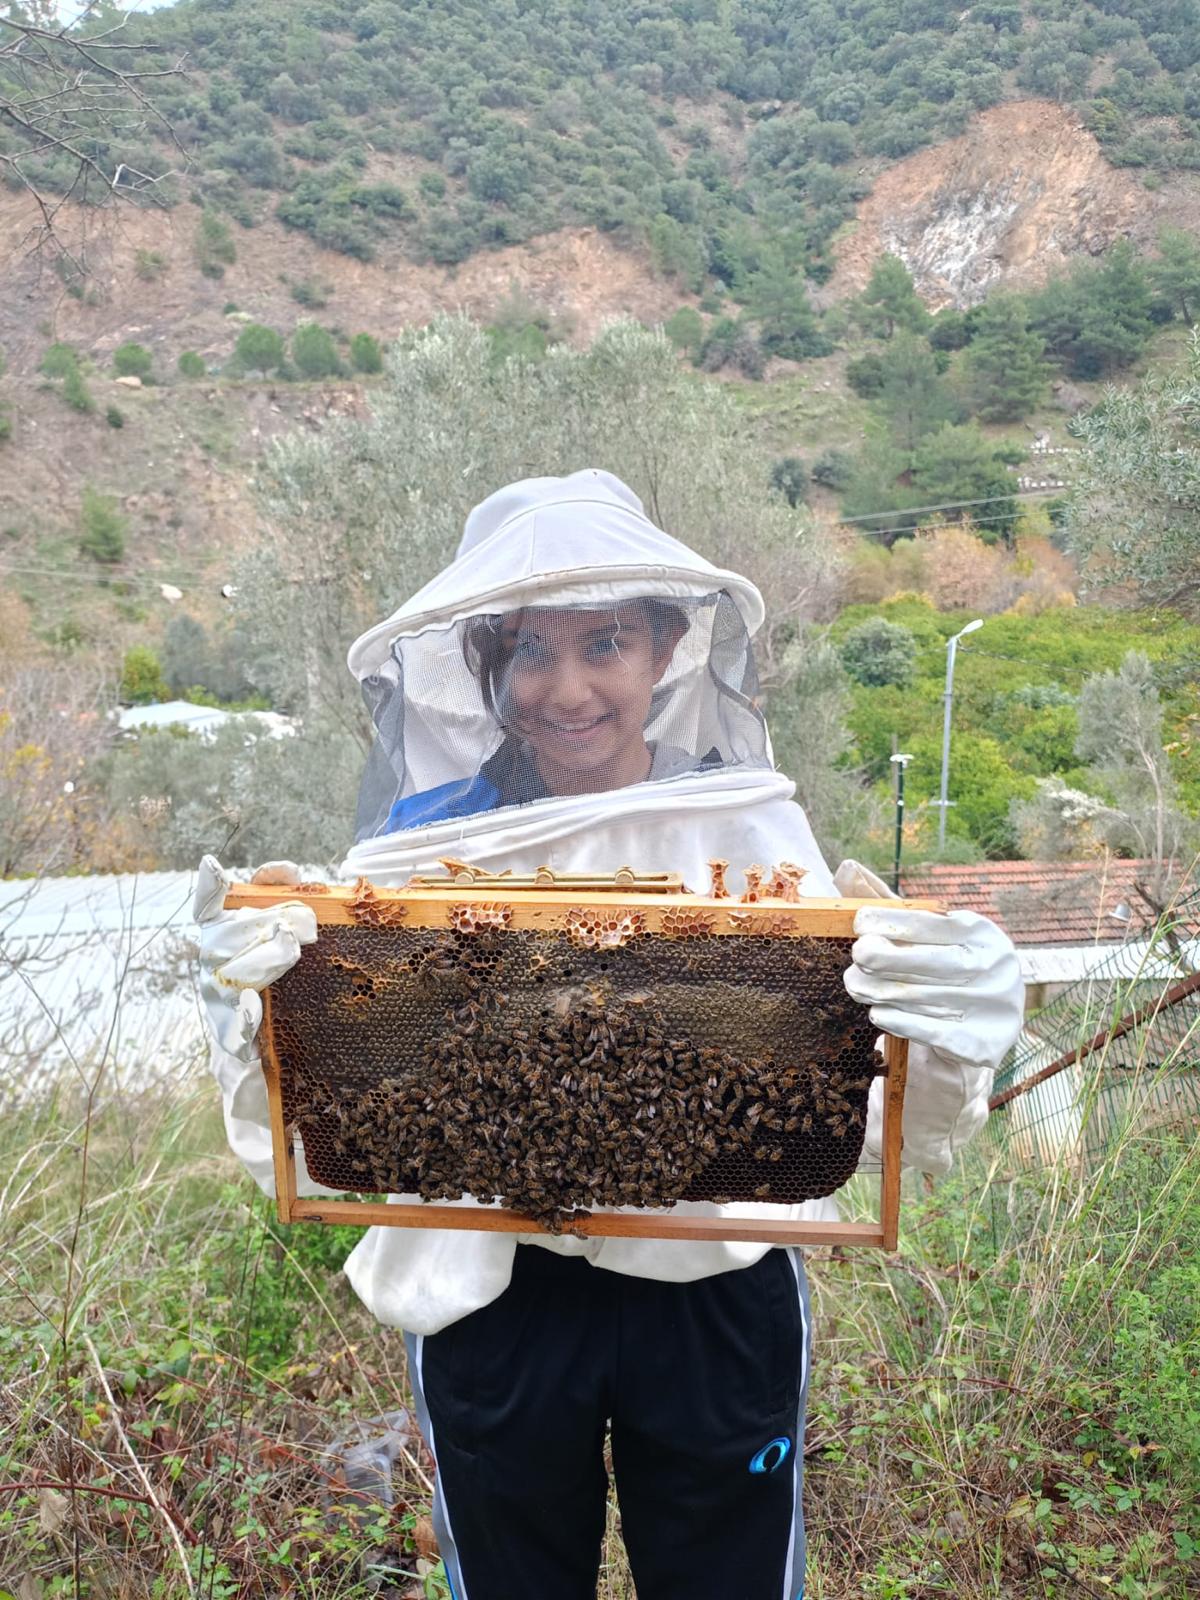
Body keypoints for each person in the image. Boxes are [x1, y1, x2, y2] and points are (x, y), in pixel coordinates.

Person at [196, 469, 1023, 1600]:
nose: (568, 687)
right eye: (531, 652)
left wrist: (944, 1034)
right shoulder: (413, 853)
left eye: (607, 643)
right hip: (497, 1293)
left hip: (712, 1285)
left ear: (668, 648)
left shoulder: (745, 826)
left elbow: (871, 1116)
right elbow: (320, 1105)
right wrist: (254, 1019)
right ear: (486, 665)